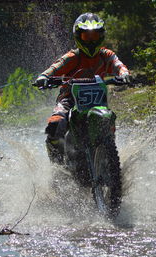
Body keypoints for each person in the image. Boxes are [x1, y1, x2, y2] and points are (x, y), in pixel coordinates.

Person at [33, 13, 132, 163]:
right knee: (55, 125)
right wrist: (44, 78)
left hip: (97, 100)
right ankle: (57, 166)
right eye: (87, 37)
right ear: (79, 37)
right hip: (69, 98)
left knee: (108, 120)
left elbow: (119, 65)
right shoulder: (73, 57)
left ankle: (107, 155)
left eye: (95, 36)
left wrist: (125, 75)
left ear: (101, 36)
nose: (92, 41)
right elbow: (54, 68)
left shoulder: (106, 55)